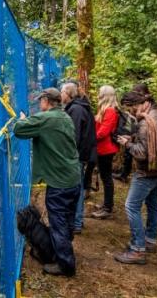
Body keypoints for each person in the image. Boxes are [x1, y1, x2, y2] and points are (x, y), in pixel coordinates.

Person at [14, 88, 81, 277]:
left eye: (40, 100)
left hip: (59, 182)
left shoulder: (46, 119)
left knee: (58, 222)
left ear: (46, 101)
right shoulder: (64, 116)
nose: (39, 104)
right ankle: (63, 249)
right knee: (67, 219)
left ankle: (66, 265)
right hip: (73, 178)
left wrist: (22, 119)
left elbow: (19, 130)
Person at [114, 91, 157, 265]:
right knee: (153, 205)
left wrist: (127, 143)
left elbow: (141, 153)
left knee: (131, 206)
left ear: (144, 103)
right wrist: (134, 138)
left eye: (134, 107)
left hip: (147, 172)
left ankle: (138, 249)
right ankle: (150, 240)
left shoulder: (146, 123)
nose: (132, 111)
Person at [60, 82, 96, 234]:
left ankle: (76, 222)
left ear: (68, 94)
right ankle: (76, 220)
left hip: (76, 156)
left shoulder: (76, 109)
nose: (60, 94)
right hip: (79, 155)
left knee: (76, 188)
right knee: (76, 187)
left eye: (62, 91)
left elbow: (74, 136)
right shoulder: (78, 107)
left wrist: (67, 155)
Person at [90, 85, 120, 219]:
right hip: (103, 148)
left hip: (106, 149)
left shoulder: (110, 111)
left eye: (100, 93)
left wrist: (90, 137)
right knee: (105, 177)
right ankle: (107, 204)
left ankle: (108, 207)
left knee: (107, 178)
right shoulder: (106, 110)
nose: (98, 95)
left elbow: (103, 132)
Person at [113, 83, 150, 183]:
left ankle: (125, 173)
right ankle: (124, 173)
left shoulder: (147, 104)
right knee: (128, 151)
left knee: (133, 150)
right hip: (133, 127)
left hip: (140, 130)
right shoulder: (138, 102)